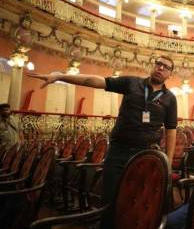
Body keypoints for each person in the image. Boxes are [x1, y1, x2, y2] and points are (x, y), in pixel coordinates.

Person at [27, 55, 177, 229]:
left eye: (166, 67)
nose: (160, 68)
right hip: (118, 152)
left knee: (136, 200)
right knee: (109, 201)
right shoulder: (131, 83)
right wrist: (61, 76)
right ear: (153, 65)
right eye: (158, 64)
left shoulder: (170, 99)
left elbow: (171, 131)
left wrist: (168, 163)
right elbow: (95, 80)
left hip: (146, 154)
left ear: (169, 74)